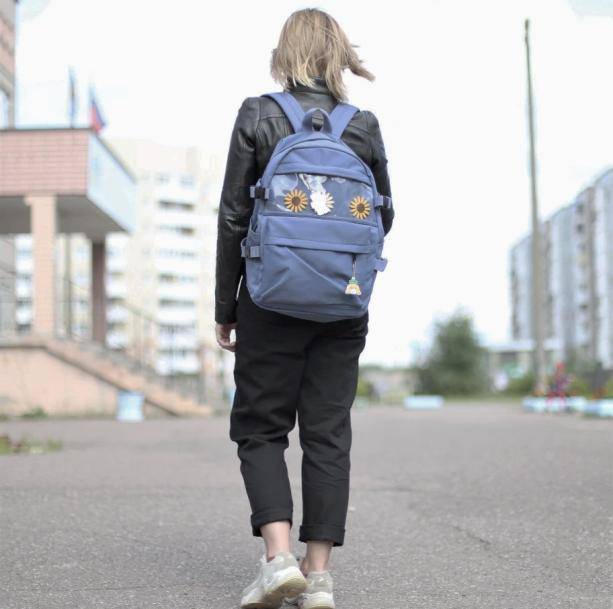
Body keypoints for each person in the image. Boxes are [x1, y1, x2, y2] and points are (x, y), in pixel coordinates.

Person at [215, 8, 394, 608]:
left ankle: (278, 558)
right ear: (339, 55)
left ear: (284, 53)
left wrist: (226, 303)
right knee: (327, 433)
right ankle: (318, 578)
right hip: (343, 303)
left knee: (261, 426)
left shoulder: (258, 113)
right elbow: (383, 215)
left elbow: (234, 216)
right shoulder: (362, 125)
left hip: (270, 297)